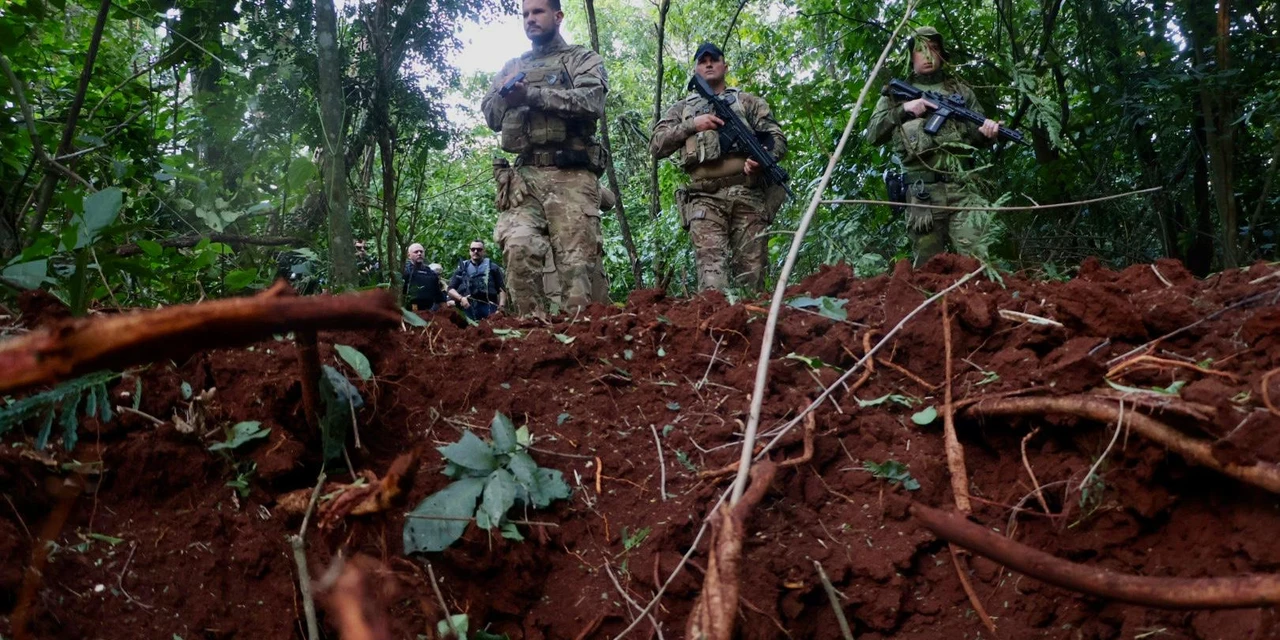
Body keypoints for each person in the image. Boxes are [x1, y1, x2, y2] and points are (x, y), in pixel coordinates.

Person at [481, 0, 610, 316]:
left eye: (538, 12)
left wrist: (532, 95)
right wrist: (505, 95)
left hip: (571, 176)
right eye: (525, 14)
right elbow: (490, 115)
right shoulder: (514, 65)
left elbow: (592, 101)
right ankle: (532, 336)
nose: (530, 19)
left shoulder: (581, 59)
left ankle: (581, 342)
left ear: (558, 16)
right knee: (517, 249)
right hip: (524, 180)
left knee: (577, 267)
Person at [650, 42, 787, 293]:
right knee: (713, 285)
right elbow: (657, 146)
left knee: (752, 281)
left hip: (749, 196)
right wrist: (692, 125)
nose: (709, 64)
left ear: (725, 65)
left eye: (714, 59)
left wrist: (763, 159)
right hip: (704, 198)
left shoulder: (747, 102)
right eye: (702, 61)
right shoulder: (682, 109)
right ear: (695, 68)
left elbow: (777, 138)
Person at [867, 26, 1003, 267]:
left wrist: (988, 133)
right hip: (923, 195)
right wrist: (904, 109)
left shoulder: (961, 91)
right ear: (911, 56)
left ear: (942, 55)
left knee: (977, 266)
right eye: (920, 50)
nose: (927, 56)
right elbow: (873, 135)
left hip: (963, 190)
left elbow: (976, 139)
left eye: (933, 49)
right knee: (928, 272)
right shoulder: (897, 93)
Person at [447, 240, 508, 321]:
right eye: (473, 249)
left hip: (489, 306)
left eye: (479, 249)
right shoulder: (462, 268)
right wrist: (461, 298)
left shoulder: (493, 267)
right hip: (468, 306)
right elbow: (450, 289)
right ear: (469, 251)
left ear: (484, 251)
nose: (475, 251)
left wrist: (501, 308)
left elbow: (502, 289)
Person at [402, 243, 445, 311]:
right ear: (409, 255)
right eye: (416, 252)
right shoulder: (404, 272)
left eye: (421, 251)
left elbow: (439, 297)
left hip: (429, 310)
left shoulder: (431, 274)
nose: (419, 253)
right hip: (410, 311)